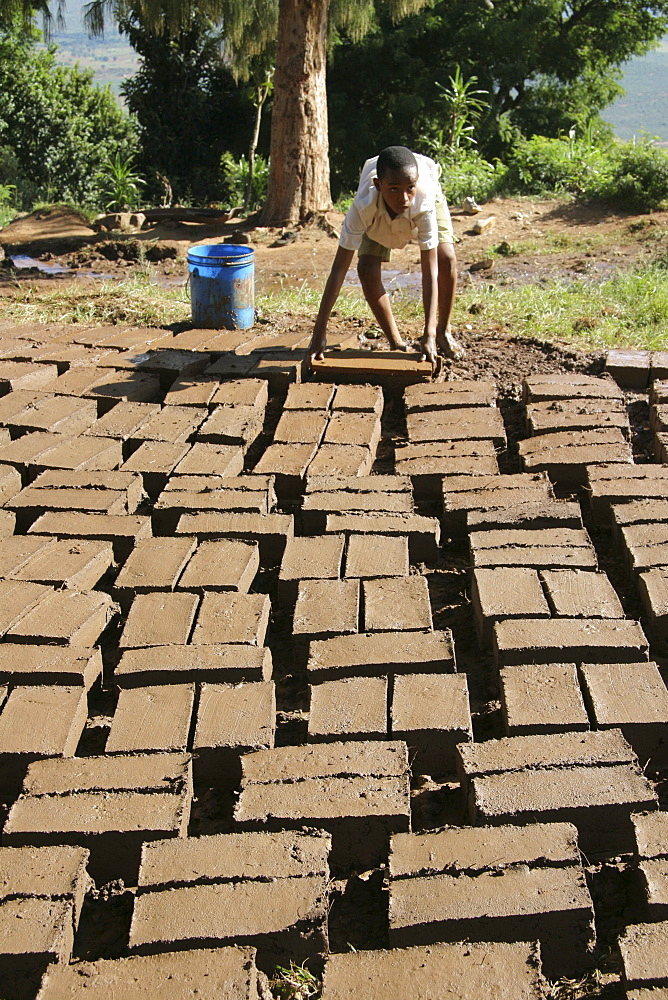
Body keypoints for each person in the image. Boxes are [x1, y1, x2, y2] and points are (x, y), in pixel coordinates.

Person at [308, 145, 463, 365]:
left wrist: (428, 332)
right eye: (394, 189)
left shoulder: (422, 200)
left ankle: (441, 333)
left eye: (409, 188)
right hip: (378, 216)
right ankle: (395, 342)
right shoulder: (363, 207)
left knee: (446, 258)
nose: (404, 198)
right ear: (378, 185)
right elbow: (339, 270)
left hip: (426, 198)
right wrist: (318, 332)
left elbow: (430, 271)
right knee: (367, 269)